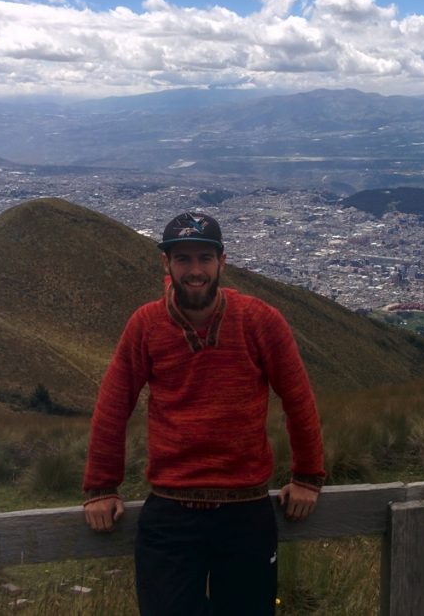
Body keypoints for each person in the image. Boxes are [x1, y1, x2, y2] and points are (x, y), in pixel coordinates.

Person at [83, 211, 325, 616]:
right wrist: (100, 489)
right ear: (166, 264)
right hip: (170, 511)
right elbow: (113, 404)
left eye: (204, 259)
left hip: (246, 510)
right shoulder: (145, 325)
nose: (195, 271)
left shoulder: (260, 321)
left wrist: (308, 477)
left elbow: (299, 400)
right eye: (183, 259)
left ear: (221, 262)